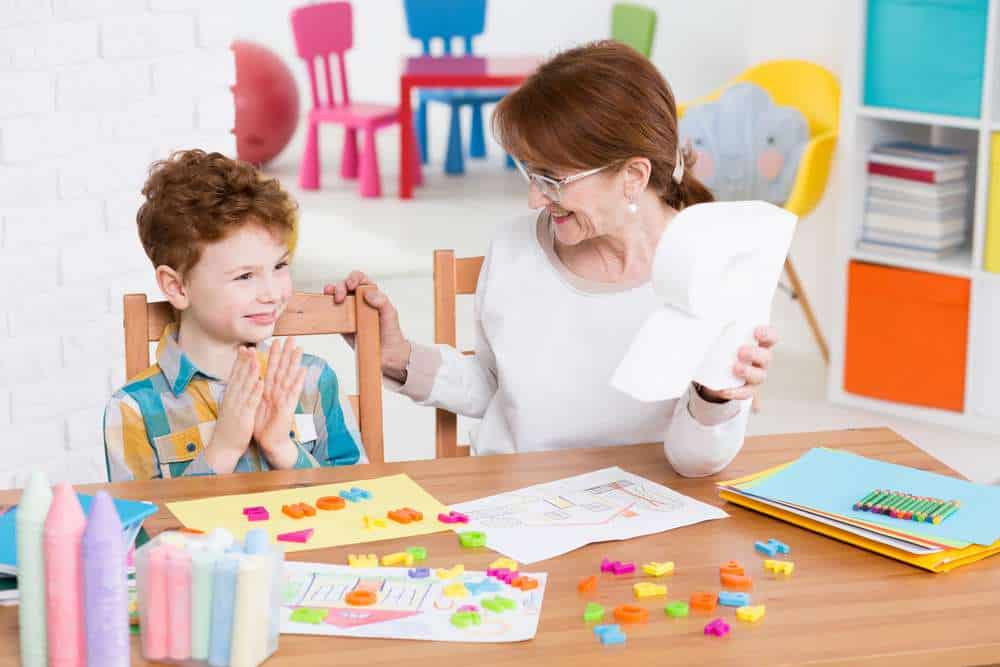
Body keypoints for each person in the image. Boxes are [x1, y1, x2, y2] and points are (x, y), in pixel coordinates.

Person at [328, 41, 776, 477]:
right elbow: (495, 387)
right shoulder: (512, 249)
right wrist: (397, 357)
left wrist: (715, 399)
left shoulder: (717, 269)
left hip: (647, 513)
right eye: (529, 172)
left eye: (553, 178)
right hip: (517, 505)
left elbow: (695, 464)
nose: (533, 198)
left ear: (634, 176)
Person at [104, 149, 364, 481]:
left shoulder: (313, 380)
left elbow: (358, 499)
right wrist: (222, 451)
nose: (271, 293)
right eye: (244, 276)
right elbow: (139, 532)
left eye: (280, 266)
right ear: (178, 287)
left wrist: (283, 449)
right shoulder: (134, 410)